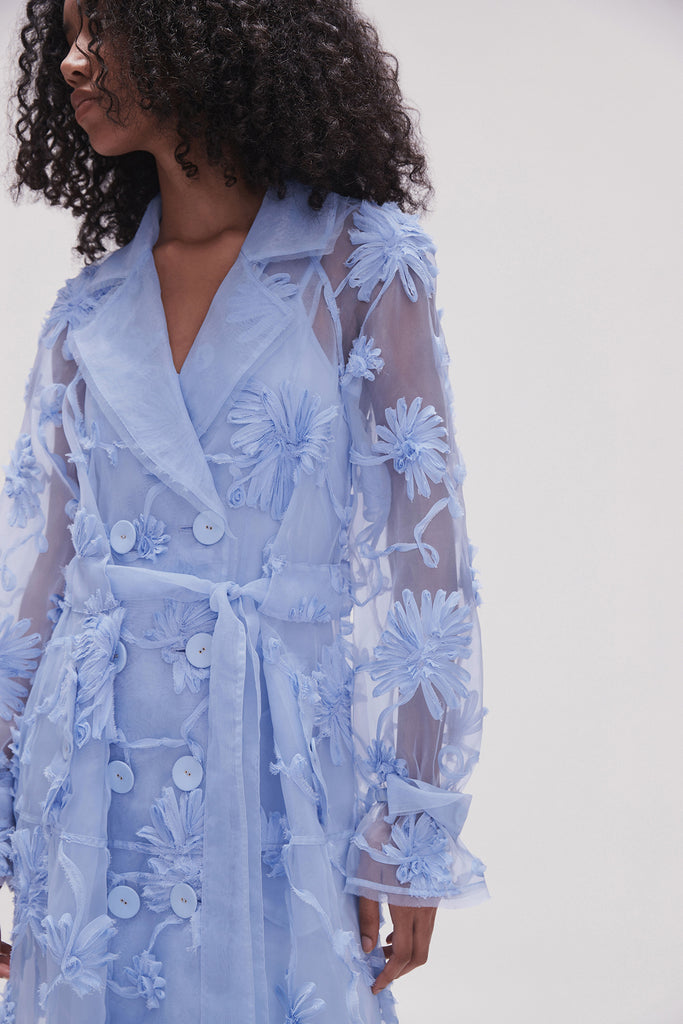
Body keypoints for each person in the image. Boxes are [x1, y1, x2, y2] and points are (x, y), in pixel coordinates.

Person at [0, 0, 488, 1019]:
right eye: (66, 34)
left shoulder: (360, 265)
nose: (73, 63)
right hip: (87, 783)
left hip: (271, 767)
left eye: (102, 28)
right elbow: (34, 590)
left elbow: (422, 560)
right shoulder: (88, 312)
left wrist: (407, 826)